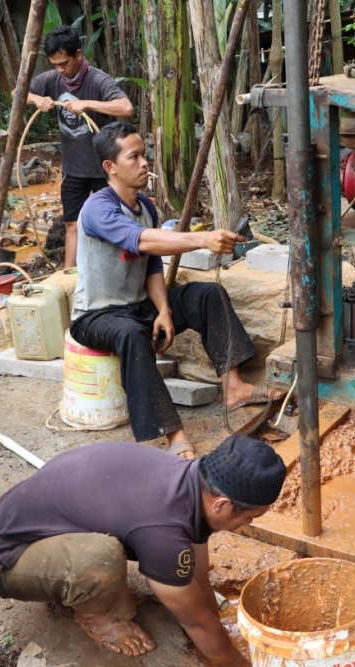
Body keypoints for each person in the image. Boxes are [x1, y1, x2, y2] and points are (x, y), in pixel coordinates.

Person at [0, 435, 287, 667]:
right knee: (102, 558)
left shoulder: (190, 478)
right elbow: (195, 623)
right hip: (11, 554)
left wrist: (217, 617)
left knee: (138, 559)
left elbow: (198, 573)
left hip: (42, 520)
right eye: (249, 517)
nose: (247, 524)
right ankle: (96, 616)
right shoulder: (164, 529)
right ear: (221, 504)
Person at [69, 121, 282, 458]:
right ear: (110, 167)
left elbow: (152, 262)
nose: (144, 163)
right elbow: (140, 240)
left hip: (139, 307)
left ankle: (235, 386)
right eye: (134, 156)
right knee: (130, 334)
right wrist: (203, 239)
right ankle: (172, 433)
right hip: (97, 316)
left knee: (207, 296)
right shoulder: (98, 208)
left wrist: (165, 310)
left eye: (144, 154)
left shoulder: (147, 208)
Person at [21, 25, 134, 268]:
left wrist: (87, 104)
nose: (60, 69)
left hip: (105, 167)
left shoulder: (98, 79)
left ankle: (118, 270)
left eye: (64, 63)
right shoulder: (52, 79)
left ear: (79, 54)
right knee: (72, 223)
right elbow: (17, 92)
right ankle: (68, 276)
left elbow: (126, 107)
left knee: (113, 220)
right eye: (55, 65)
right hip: (73, 168)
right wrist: (37, 98)